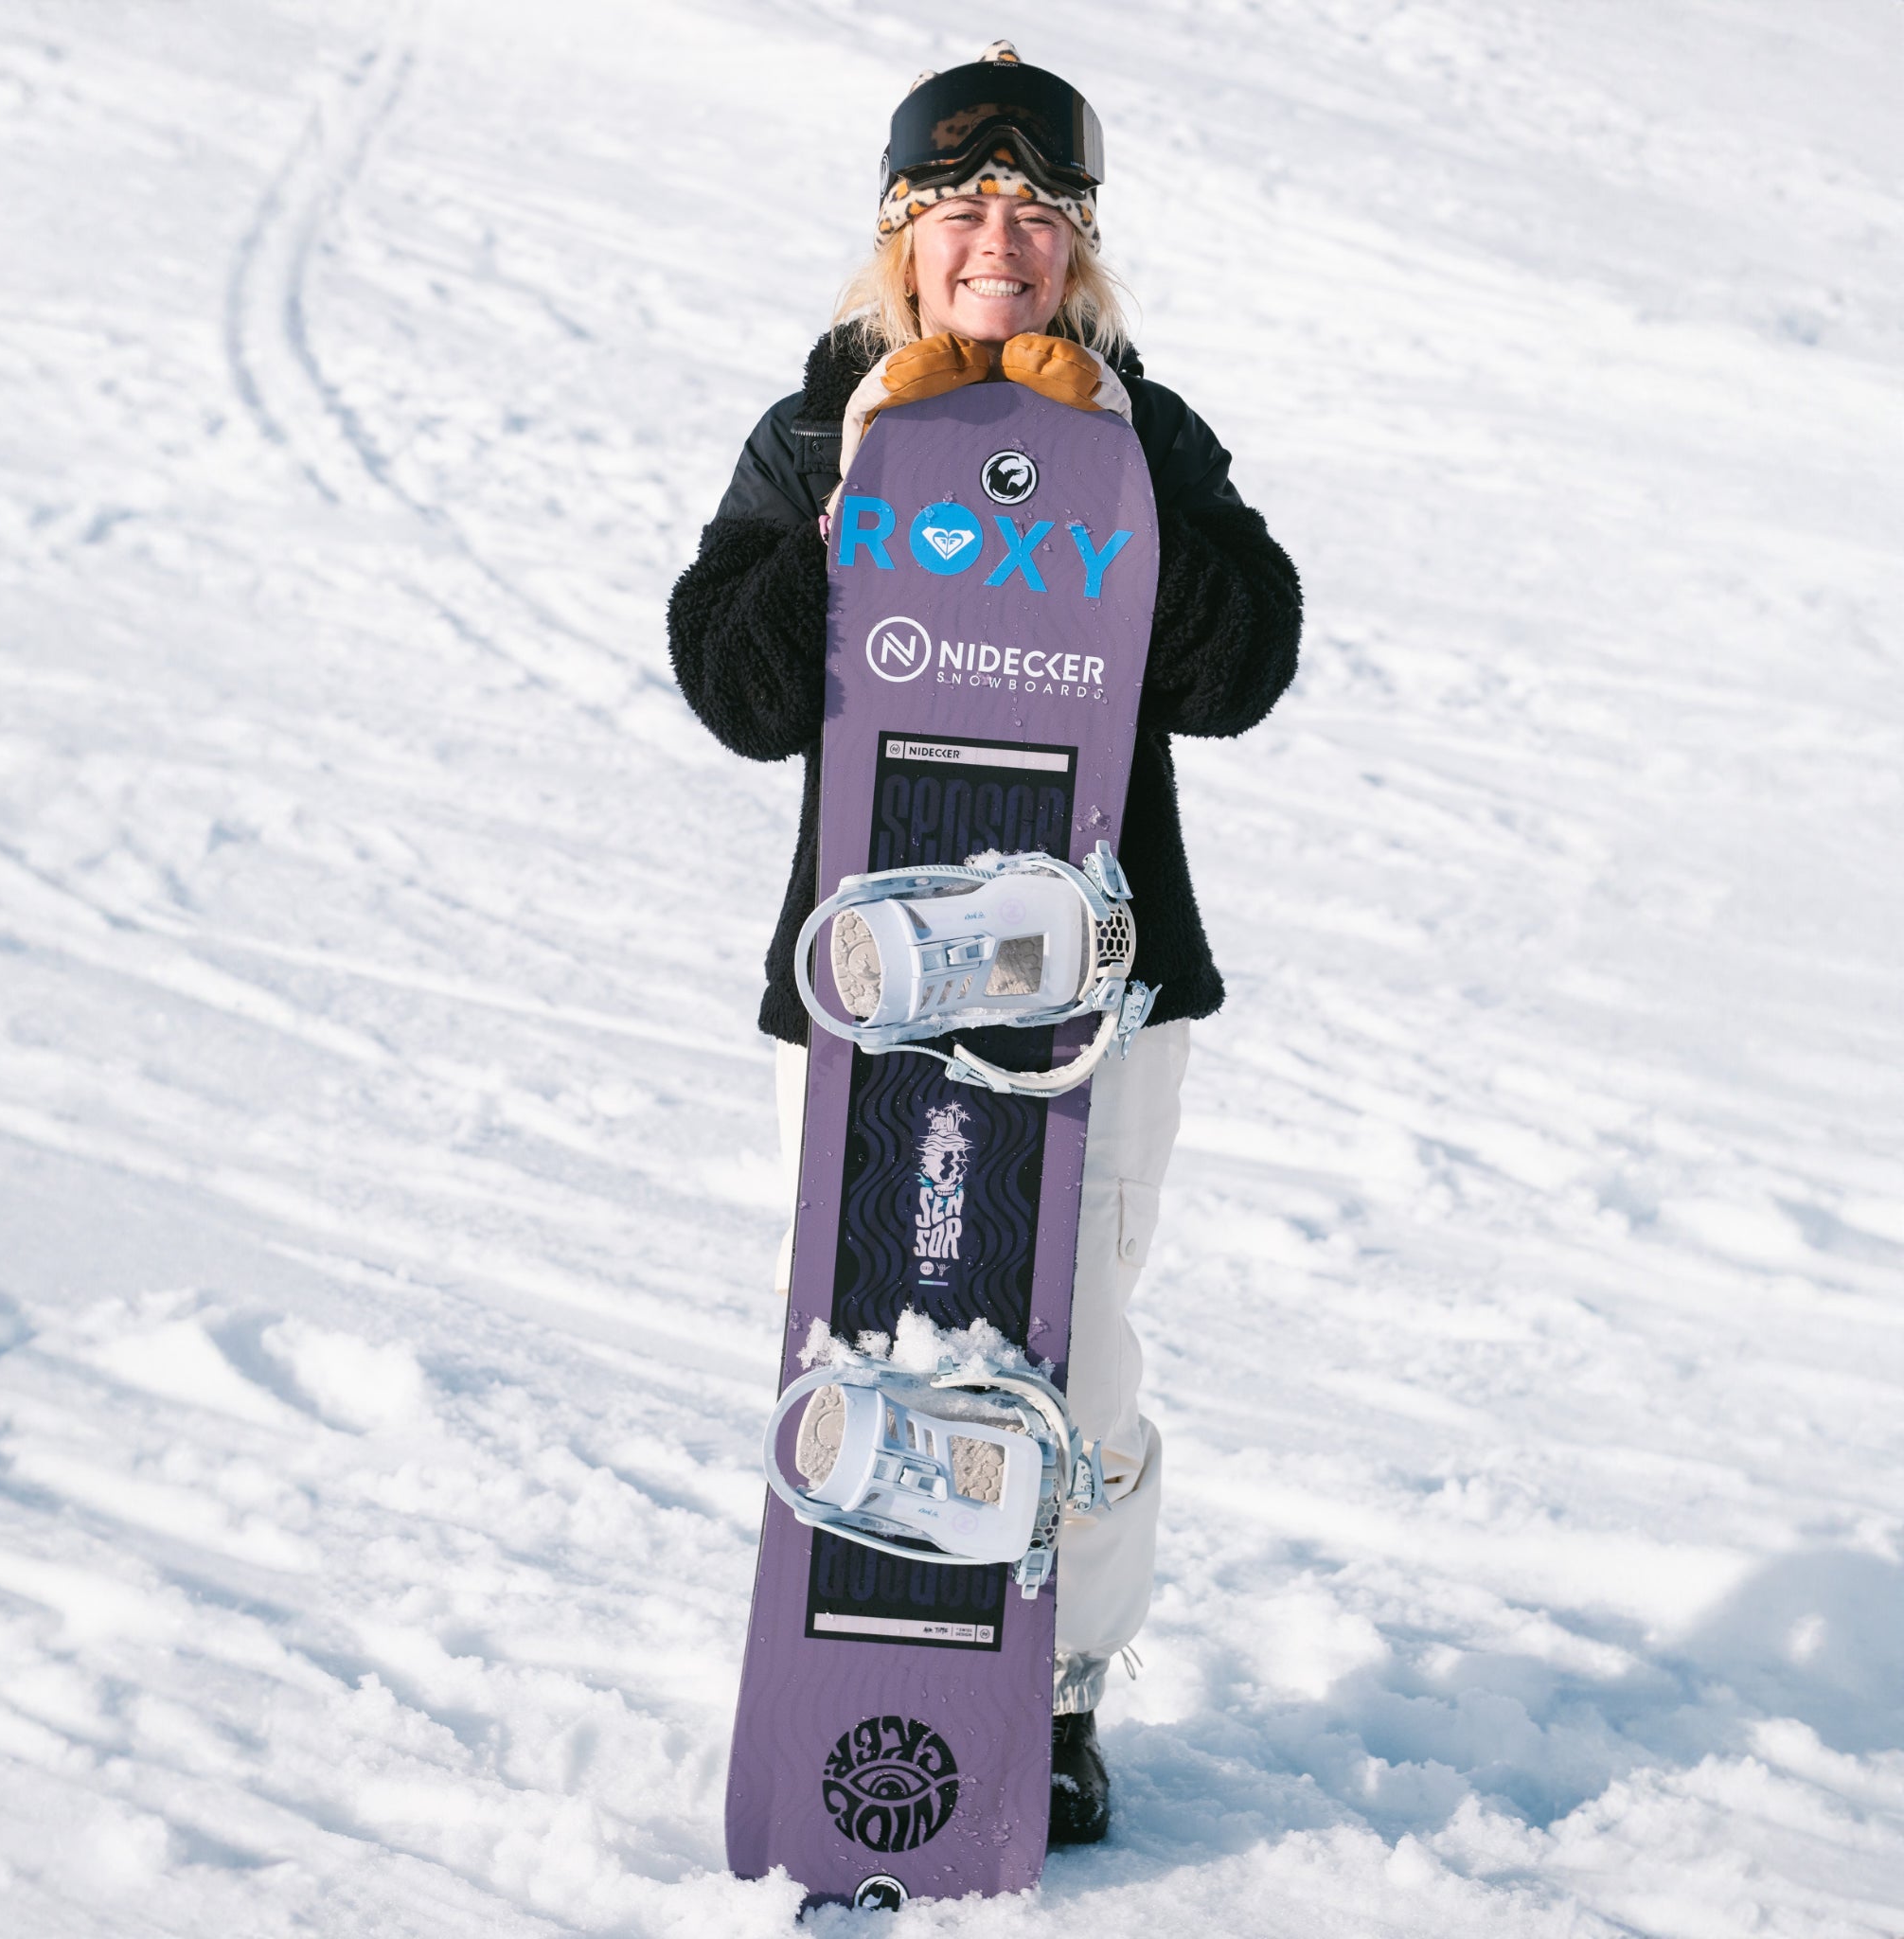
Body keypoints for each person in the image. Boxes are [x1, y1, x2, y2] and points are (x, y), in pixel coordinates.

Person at [668, 43, 1301, 1845]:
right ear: (902, 236)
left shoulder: (1141, 426)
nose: (997, 241)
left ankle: (1066, 1689)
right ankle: (873, 1665)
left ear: (1077, 246)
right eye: (961, 210)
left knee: (1074, 1344)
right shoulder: (817, 430)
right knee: (878, 1325)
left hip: (1105, 982)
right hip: (877, 980)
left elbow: (1237, 672)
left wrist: (1113, 466)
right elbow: (741, 687)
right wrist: (859, 491)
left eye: (1034, 212)